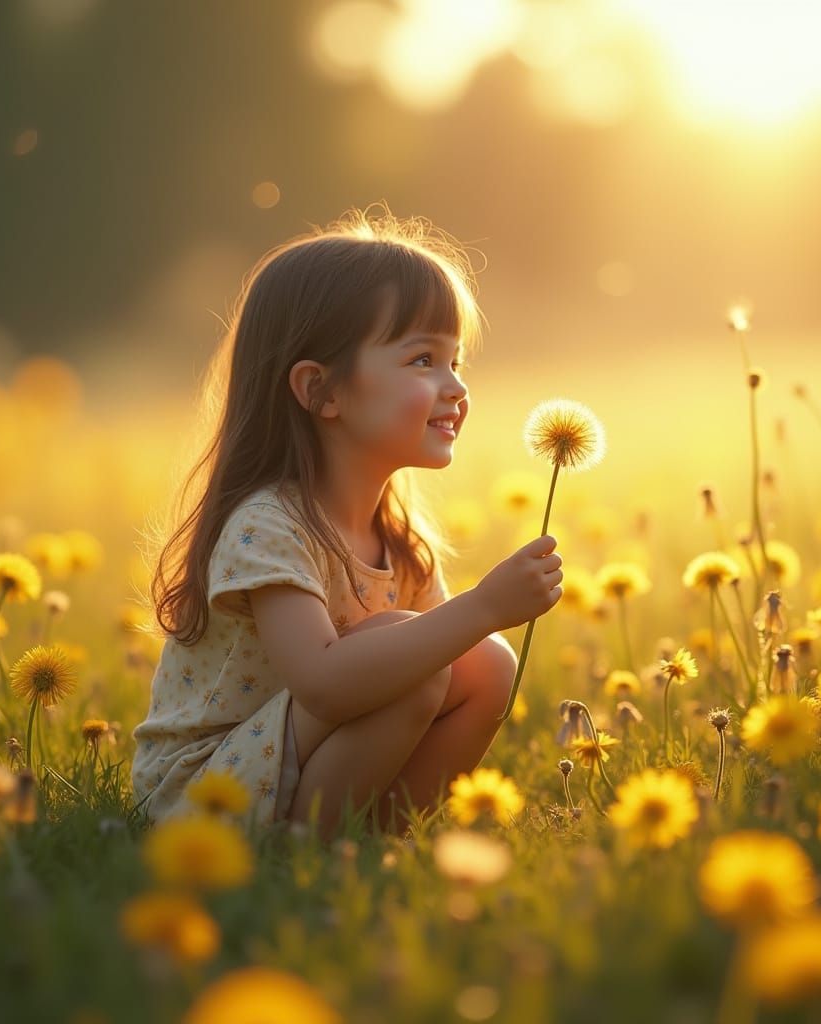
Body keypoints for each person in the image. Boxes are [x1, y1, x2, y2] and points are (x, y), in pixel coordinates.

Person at [131, 204, 564, 839]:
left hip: (289, 770)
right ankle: (308, 854)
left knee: (487, 665)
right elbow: (328, 688)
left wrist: (478, 626)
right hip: (207, 796)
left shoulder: (400, 540)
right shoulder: (269, 525)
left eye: (456, 363)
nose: (454, 387)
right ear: (321, 391)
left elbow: (445, 664)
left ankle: (377, 841)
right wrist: (483, 608)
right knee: (415, 655)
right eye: (422, 360)